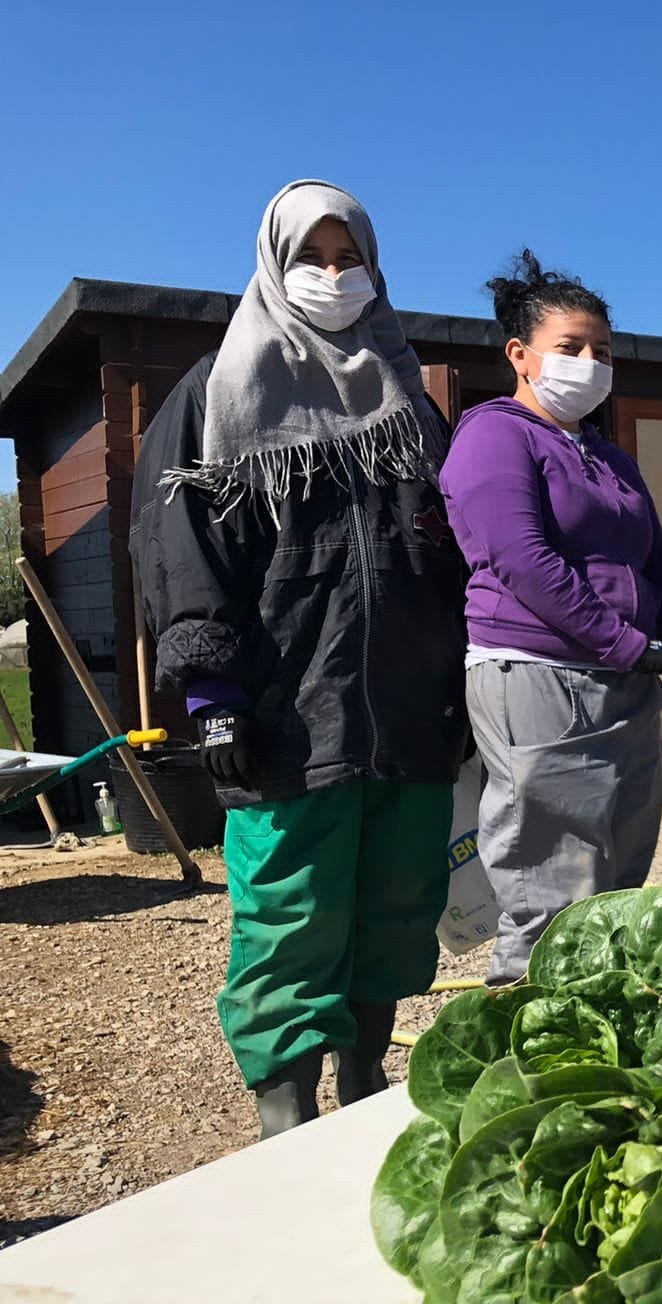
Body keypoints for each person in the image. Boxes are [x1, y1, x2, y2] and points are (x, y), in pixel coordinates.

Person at [134, 180, 467, 1137]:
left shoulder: (409, 400)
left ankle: (364, 1089)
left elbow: (455, 550)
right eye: (310, 258)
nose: (332, 275)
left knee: (398, 903)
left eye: (347, 256)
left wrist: (464, 681)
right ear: (275, 266)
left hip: (407, 710)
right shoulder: (216, 393)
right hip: (287, 712)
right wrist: (210, 689)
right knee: (290, 913)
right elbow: (178, 543)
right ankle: (286, 1112)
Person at [439, 253, 662, 984]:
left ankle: (604, 1059)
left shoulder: (608, 458)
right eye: (570, 348)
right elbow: (525, 563)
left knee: (616, 886)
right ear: (520, 354)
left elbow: (654, 563)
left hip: (621, 679)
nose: (590, 364)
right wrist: (636, 646)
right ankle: (518, 1061)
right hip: (540, 679)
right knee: (550, 893)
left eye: (602, 351)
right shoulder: (494, 435)